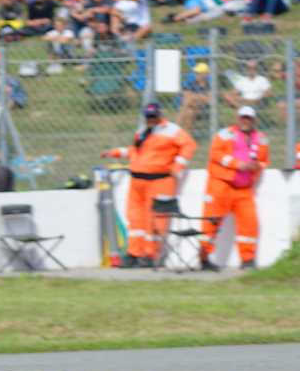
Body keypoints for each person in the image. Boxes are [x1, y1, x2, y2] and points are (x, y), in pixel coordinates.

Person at [102, 101, 196, 268]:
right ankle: (134, 253)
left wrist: (178, 165)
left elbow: (189, 145)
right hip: (138, 181)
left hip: (159, 181)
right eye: (148, 117)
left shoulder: (172, 130)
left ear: (160, 115)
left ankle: (151, 254)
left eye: (153, 116)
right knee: (135, 219)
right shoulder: (142, 131)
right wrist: (114, 152)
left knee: (155, 220)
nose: (151, 119)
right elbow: (135, 151)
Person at [200, 106, 269, 270]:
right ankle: (204, 257)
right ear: (237, 118)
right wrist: (238, 165)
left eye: (249, 118)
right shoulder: (225, 134)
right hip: (221, 184)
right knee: (211, 221)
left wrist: (256, 166)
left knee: (249, 223)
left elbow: (264, 160)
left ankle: (248, 259)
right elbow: (215, 154)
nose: (245, 121)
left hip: (244, 188)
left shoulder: (261, 138)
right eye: (243, 117)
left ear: (254, 120)